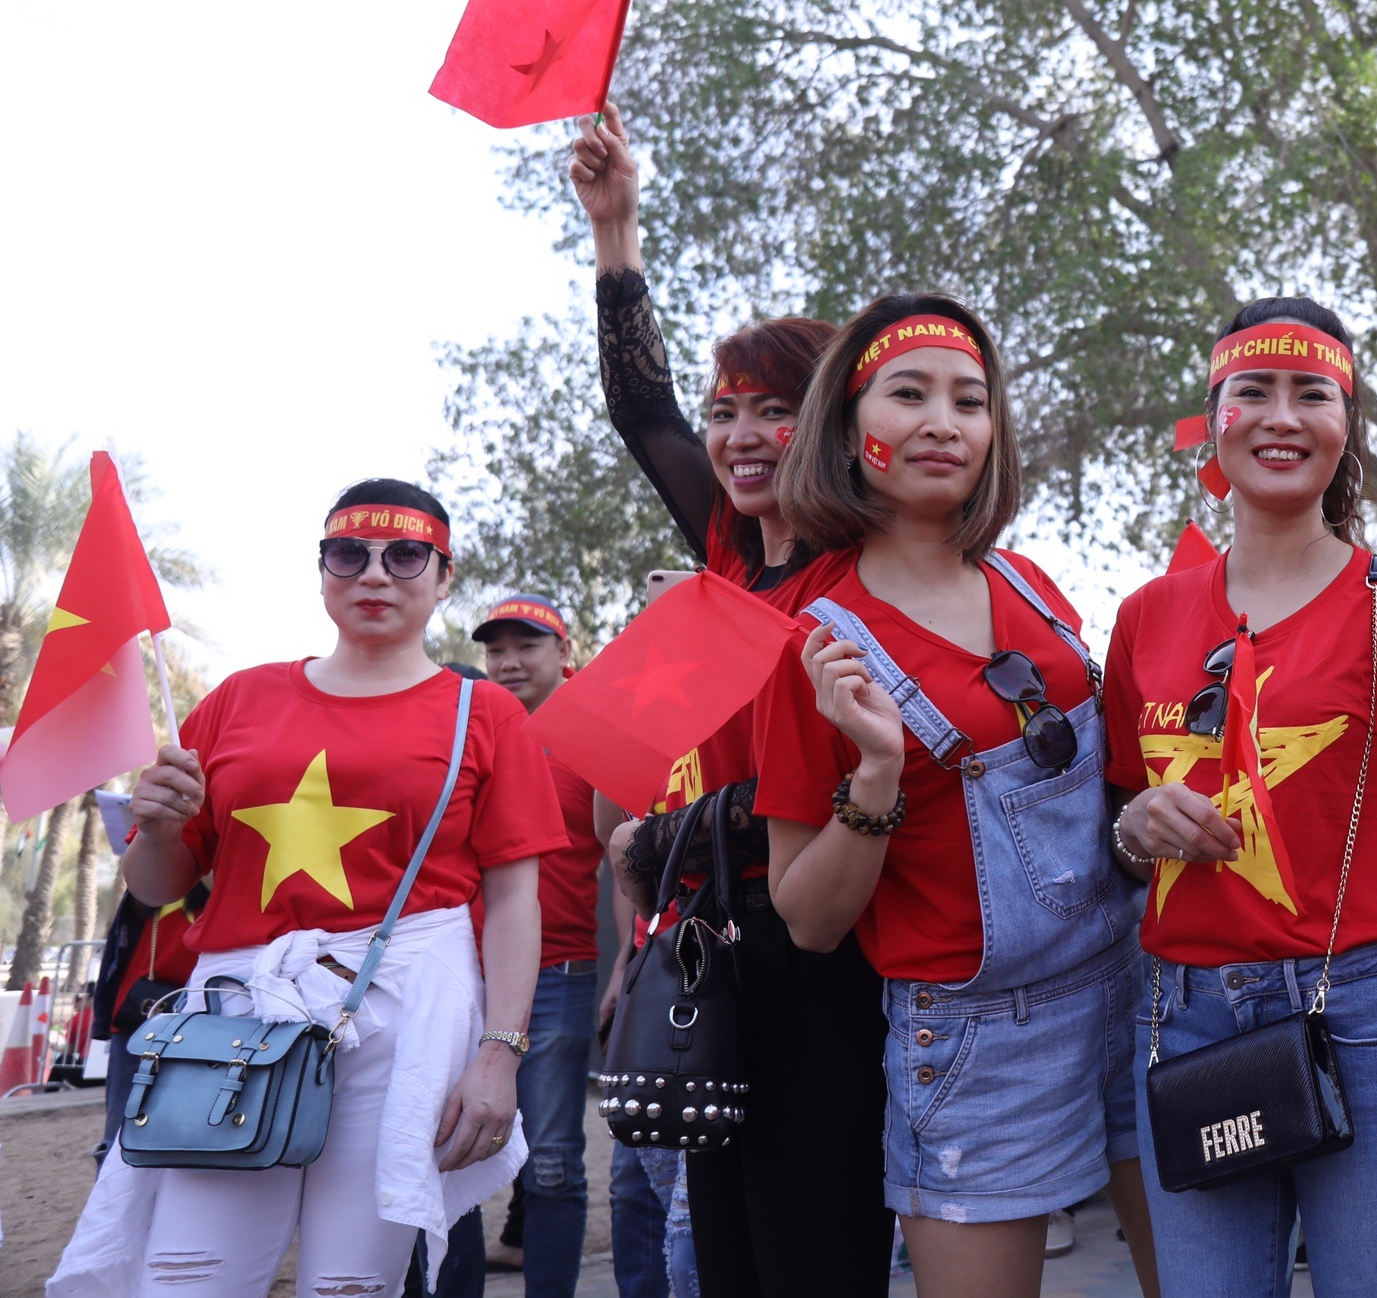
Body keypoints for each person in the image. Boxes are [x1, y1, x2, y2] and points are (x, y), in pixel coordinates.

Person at [51, 480, 570, 1298]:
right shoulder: (237, 698)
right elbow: (160, 884)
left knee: (351, 1286)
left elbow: (513, 900)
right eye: (349, 554)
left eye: (405, 556)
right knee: (188, 1277)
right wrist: (153, 827)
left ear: (443, 577)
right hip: (234, 1024)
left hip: (402, 1021)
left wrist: (499, 1056)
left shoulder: (485, 712)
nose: (374, 574)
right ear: (322, 569)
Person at [752, 293, 1160, 1298]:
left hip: (1143, 992)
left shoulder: (1032, 583)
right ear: (851, 433)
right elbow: (806, 915)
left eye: (969, 399)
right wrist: (878, 775)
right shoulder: (811, 642)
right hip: (982, 1046)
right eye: (908, 393)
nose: (943, 420)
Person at [1105, 298, 1377, 1298]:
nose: (1281, 415)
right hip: (1186, 1020)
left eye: (1311, 394)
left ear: (1347, 430)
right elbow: (1118, 837)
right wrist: (1133, 824)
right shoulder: (1145, 616)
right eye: (1254, 390)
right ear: (1213, 420)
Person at [569, 101, 895, 1298]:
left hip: (827, 940)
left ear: (833, 425)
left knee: (813, 1243)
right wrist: (617, 233)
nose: (743, 433)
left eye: (777, 406)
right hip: (709, 940)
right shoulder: (720, 549)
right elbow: (638, 406)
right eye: (729, 410)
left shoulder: (867, 569)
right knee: (728, 1252)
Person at [472, 593, 602, 1298]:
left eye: (528, 646)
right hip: (464, 973)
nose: (509, 661)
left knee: (551, 1160)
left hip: (560, 972)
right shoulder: (468, 727)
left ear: (565, 654)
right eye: (497, 650)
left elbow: (628, 851)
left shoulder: (597, 729)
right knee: (442, 1152)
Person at [89, 882, 209, 1167]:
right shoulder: (163, 876)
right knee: (121, 1132)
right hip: (143, 1018)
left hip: (189, 1019)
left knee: (185, 1131)